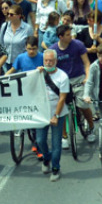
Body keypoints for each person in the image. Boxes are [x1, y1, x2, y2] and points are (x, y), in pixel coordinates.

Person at [37, 48, 70, 182]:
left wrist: (56, 115)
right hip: (42, 114)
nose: (48, 63)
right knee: (40, 140)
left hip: (58, 114)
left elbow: (62, 98)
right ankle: (46, 158)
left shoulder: (63, 76)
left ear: (56, 61)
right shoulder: (39, 73)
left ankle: (55, 168)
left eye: (51, 60)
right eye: (46, 60)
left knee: (56, 144)